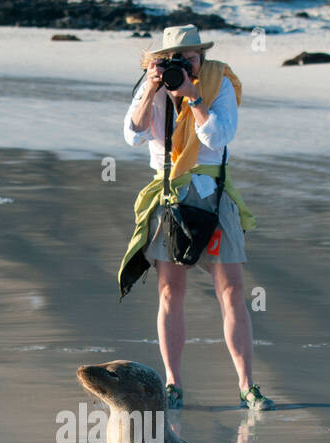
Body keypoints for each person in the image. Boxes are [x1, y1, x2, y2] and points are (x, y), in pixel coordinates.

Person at [117, 24, 275, 411]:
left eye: (190, 57)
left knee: (233, 291)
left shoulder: (218, 83)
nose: (183, 64)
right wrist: (152, 89)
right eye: (176, 58)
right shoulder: (150, 83)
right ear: (162, 59)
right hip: (170, 195)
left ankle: (247, 386)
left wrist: (193, 97)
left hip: (213, 196)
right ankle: (173, 385)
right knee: (170, 292)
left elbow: (219, 137)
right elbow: (132, 134)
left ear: (201, 57)